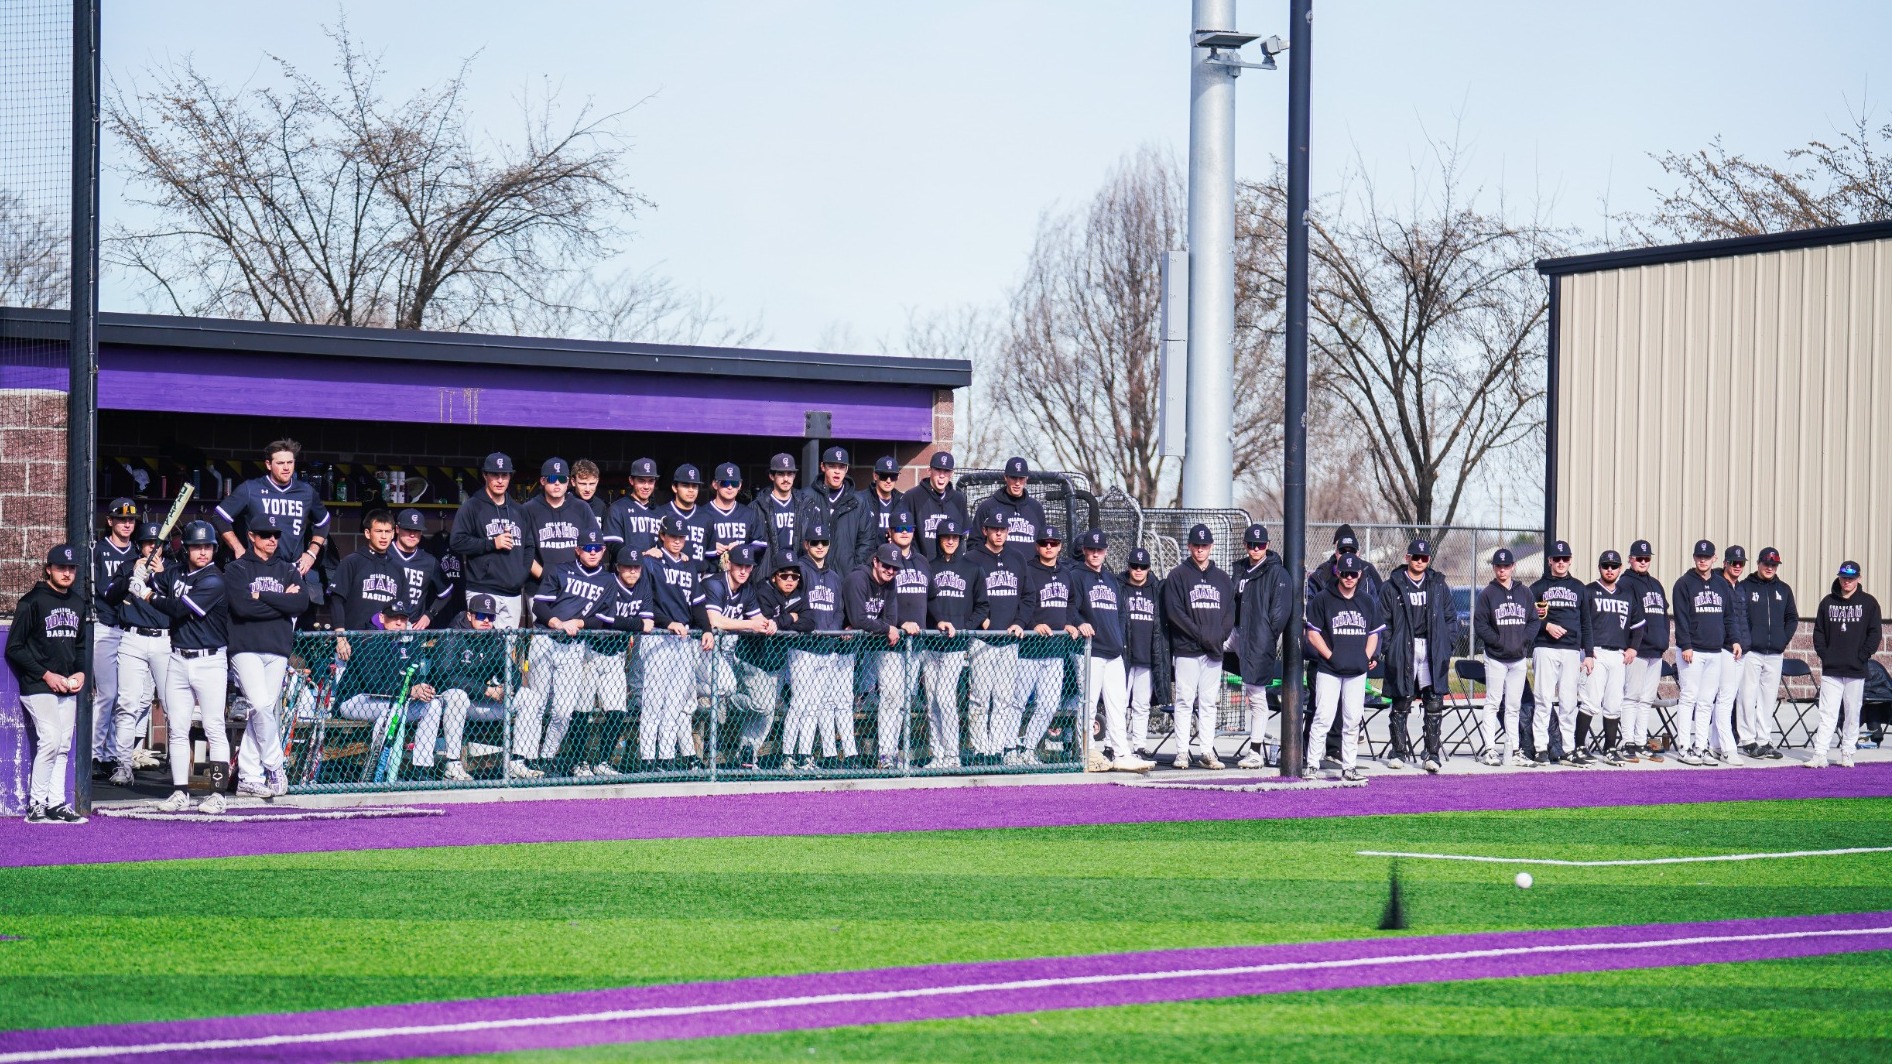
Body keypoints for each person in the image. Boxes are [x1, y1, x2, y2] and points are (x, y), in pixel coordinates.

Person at [144, 521, 229, 813]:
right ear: (187, 549)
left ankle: (218, 794)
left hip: (210, 660)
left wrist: (148, 595)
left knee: (214, 728)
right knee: (177, 729)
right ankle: (180, 791)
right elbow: (155, 580)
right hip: (178, 658)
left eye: (207, 547)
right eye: (197, 547)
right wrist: (143, 573)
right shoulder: (177, 572)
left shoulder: (214, 580)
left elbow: (179, 608)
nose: (202, 552)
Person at [224, 514, 311, 797]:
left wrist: (261, 597)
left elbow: (300, 603)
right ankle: (275, 765)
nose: (272, 539)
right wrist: (281, 602)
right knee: (261, 706)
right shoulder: (237, 569)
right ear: (251, 536)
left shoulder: (288, 569)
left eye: (275, 534)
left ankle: (249, 777)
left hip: (277, 649)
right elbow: (241, 608)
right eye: (265, 534)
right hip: (245, 647)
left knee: (261, 713)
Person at [525, 529, 622, 777]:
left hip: (574, 647)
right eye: (587, 548)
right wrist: (557, 622)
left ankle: (546, 758)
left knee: (564, 710)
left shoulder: (608, 580)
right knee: (536, 703)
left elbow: (604, 619)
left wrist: (578, 623)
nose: (592, 552)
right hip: (546, 639)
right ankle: (526, 758)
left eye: (597, 548)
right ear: (577, 550)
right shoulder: (559, 569)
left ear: (603, 551)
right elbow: (539, 604)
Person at [8, 544, 89, 823]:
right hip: (37, 685)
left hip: (67, 684)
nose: (67, 573)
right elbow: (14, 648)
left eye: (71, 568)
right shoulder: (32, 601)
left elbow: (80, 647)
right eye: (61, 568)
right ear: (48, 570)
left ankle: (56, 804)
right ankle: (36, 805)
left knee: (64, 745)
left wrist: (81, 673)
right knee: (51, 741)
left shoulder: (78, 603)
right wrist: (46, 675)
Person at [431, 592, 547, 782]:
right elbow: (447, 677)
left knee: (529, 697)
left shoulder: (494, 638)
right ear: (469, 616)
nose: (486, 621)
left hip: (482, 701)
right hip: (450, 703)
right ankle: (452, 764)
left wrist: (508, 688)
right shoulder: (452, 635)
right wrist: (486, 690)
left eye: (491, 616)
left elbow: (512, 671)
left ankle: (517, 763)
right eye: (481, 615)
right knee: (457, 696)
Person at [333, 600, 445, 780]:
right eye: (394, 618)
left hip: (394, 700)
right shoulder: (368, 638)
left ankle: (421, 769)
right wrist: (410, 691)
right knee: (391, 710)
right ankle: (382, 771)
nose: (399, 622)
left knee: (433, 706)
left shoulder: (412, 641)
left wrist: (423, 689)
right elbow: (374, 685)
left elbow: (415, 678)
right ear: (382, 618)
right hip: (355, 700)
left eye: (403, 618)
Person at [213, 438, 331, 605]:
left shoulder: (306, 491)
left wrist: (311, 553)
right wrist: (238, 548)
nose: (286, 467)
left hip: (292, 569)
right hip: (258, 569)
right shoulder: (251, 489)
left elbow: (324, 522)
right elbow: (220, 517)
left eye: (290, 462)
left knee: (294, 622)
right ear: (268, 464)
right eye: (280, 463)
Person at [1379, 537, 1461, 774]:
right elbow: (1383, 621)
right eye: (1415, 557)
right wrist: (1389, 647)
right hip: (1404, 647)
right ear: (1407, 558)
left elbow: (1450, 618)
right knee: (1401, 699)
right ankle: (1398, 752)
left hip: (1431, 646)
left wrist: (1446, 645)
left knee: (1434, 701)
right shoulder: (1392, 585)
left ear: (1429, 560)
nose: (1419, 561)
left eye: (1424, 558)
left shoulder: (1437, 584)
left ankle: (1432, 754)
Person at [1075, 529, 1153, 773]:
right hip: (1090, 651)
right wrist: (1078, 622)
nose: (1096, 553)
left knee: (1118, 705)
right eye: (1091, 549)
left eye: (1099, 550)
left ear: (1105, 551)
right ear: (1085, 551)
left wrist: (1119, 639)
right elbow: (1070, 607)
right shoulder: (1077, 575)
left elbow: (1121, 614)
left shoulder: (1110, 580)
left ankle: (1121, 752)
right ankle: (1086, 752)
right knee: (1087, 703)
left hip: (1113, 652)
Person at [102, 521, 173, 787]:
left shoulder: (173, 571)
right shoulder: (128, 566)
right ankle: (123, 763)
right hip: (132, 638)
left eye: (157, 545)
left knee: (172, 704)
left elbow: (180, 601)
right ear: (140, 546)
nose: (153, 549)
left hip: (164, 640)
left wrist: (162, 576)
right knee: (127, 703)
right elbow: (109, 595)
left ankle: (178, 772)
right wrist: (131, 576)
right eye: (148, 544)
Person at [694, 542, 776, 768]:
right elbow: (714, 621)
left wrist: (770, 624)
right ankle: (694, 695)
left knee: (766, 702)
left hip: (731, 654)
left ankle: (722, 703)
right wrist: (750, 624)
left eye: (748, 567)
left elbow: (758, 619)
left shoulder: (747, 589)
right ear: (729, 563)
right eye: (739, 565)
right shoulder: (715, 583)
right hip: (702, 649)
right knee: (725, 687)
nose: (743, 570)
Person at [1304, 553, 1385, 783]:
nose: (1349, 577)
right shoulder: (1323, 598)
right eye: (1345, 573)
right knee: (1323, 716)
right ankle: (1312, 764)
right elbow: (1312, 634)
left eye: (1353, 573)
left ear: (1359, 574)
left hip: (1356, 671)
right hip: (1329, 669)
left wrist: (1364, 657)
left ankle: (1349, 767)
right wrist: (1330, 656)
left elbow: (1374, 634)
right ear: (1337, 572)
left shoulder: (1367, 601)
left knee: (1352, 720)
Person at [1163, 524, 1237, 770]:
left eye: (1204, 546)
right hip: (1187, 648)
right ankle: (1182, 752)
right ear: (1189, 546)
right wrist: (1201, 635)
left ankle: (1207, 750)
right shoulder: (1178, 575)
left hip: (1213, 651)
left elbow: (1230, 614)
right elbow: (1175, 613)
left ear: (1211, 547)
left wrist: (1218, 636)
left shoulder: (1222, 578)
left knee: (1208, 702)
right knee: (1184, 700)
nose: (1200, 550)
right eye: (1196, 545)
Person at [1671, 539, 1748, 766]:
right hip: (1693, 651)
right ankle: (1684, 746)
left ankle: (1701, 746)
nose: (1703, 560)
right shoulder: (1684, 583)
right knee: (1688, 697)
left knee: (1706, 701)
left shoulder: (1721, 584)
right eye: (1699, 557)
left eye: (1707, 557)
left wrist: (1734, 639)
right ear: (1694, 557)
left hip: (1715, 651)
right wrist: (1685, 645)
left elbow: (1729, 616)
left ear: (1714, 559)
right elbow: (1681, 618)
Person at [783, 524, 851, 770]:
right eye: (815, 542)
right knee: (800, 703)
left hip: (826, 648)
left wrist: (831, 632)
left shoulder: (834, 577)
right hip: (803, 648)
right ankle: (787, 754)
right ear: (806, 545)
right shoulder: (800, 570)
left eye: (823, 542)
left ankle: (805, 755)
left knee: (813, 706)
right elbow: (793, 603)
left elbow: (839, 610)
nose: (820, 546)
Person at [640, 515, 704, 770]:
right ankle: (647, 758)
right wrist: (667, 623)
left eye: (681, 537)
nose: (677, 541)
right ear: (662, 536)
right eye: (672, 536)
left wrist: (707, 629)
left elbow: (697, 603)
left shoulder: (689, 566)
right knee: (653, 703)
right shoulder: (650, 562)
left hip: (684, 640)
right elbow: (646, 603)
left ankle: (665, 758)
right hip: (658, 637)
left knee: (674, 705)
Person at [1012, 524, 1079, 766]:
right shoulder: (1028, 570)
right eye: (1044, 543)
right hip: (1029, 649)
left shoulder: (1065, 573)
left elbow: (1071, 603)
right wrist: (1031, 624)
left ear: (1060, 546)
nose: (1048, 547)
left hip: (1056, 651)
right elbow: (1020, 603)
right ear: (1036, 546)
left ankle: (1028, 748)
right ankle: (1011, 750)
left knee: (1049, 705)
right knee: (1017, 702)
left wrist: (1070, 623)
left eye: (1053, 543)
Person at [966, 512, 1028, 766]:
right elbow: (964, 596)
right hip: (983, 641)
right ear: (985, 531)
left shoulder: (1017, 559)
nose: (999, 533)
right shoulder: (972, 559)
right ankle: (980, 749)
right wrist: (979, 618)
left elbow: (1028, 596)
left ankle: (996, 748)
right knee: (980, 698)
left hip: (1009, 641)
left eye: (1003, 528)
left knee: (1003, 699)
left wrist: (1020, 622)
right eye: (994, 528)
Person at [1808, 560, 1882, 769]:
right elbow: (1819, 632)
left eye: (1851, 578)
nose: (1846, 581)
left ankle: (1847, 752)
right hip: (1831, 668)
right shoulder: (1827, 602)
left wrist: (1863, 655)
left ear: (1859, 579)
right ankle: (1820, 753)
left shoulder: (1869, 603)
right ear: (1839, 577)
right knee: (1827, 713)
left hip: (1856, 669)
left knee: (1852, 712)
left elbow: (1875, 632)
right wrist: (1825, 655)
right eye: (1843, 577)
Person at [736, 551, 806, 769]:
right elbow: (766, 622)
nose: (790, 580)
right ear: (775, 576)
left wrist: (785, 620)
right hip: (752, 659)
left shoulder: (798, 594)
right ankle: (729, 700)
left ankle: (748, 754)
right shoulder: (763, 591)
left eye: (794, 576)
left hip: (775, 663)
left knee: (765, 714)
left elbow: (810, 621)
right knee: (763, 705)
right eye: (785, 576)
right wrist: (791, 617)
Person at [449, 452, 535, 628]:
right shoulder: (472, 507)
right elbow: (456, 541)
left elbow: (529, 546)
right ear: (485, 475)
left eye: (505, 475)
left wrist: (521, 574)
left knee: (506, 650)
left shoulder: (520, 510)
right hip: (482, 589)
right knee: (482, 646)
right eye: (495, 475)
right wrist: (492, 543)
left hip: (512, 593)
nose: (500, 480)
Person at [1472, 547, 1540, 766]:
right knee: (1493, 703)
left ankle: (1514, 750)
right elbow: (1480, 624)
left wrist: (1523, 641)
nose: (1502, 570)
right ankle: (1490, 749)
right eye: (1498, 566)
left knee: (1513, 707)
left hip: (1518, 659)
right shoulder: (1487, 594)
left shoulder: (1525, 592)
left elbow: (1533, 620)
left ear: (1513, 567)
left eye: (1506, 566)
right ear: (1494, 568)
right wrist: (1498, 641)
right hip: (1496, 658)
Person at [1577, 550, 1645, 764]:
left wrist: (1633, 647)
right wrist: (1586, 651)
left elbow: (1638, 625)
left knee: (1614, 703)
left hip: (1618, 655)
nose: (1609, 569)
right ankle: (1579, 746)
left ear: (1620, 569)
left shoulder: (1626, 594)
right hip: (1595, 653)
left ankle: (1610, 748)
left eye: (1614, 566)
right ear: (1599, 568)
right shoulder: (1588, 591)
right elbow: (1580, 625)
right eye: (1605, 565)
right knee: (1590, 701)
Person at [87, 498, 139, 778]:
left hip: (132, 630)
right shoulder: (98, 549)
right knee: (107, 693)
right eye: (121, 519)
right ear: (110, 521)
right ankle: (96, 754)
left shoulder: (138, 552)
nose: (127, 523)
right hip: (105, 626)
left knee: (129, 697)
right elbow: (103, 590)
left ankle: (113, 754)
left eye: (131, 520)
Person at [1233, 525, 1291, 770]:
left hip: (1257, 638)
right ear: (1245, 546)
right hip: (1236, 634)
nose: (1255, 549)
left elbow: (1279, 615)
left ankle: (1256, 751)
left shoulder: (1277, 573)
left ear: (1267, 546)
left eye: (1260, 545)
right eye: (1251, 544)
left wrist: (1265, 634)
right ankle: (1204, 747)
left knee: (1256, 695)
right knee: (1205, 652)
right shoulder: (1239, 569)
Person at [844, 543, 905, 768]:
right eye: (887, 566)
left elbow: (892, 618)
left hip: (872, 643)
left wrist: (881, 627)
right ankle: (831, 756)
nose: (891, 571)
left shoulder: (890, 583)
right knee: (835, 701)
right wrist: (884, 628)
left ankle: (888, 754)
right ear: (876, 562)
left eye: (895, 568)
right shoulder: (857, 579)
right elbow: (858, 619)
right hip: (843, 646)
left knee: (894, 694)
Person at [922, 518, 977, 769]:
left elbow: (982, 605)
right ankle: (938, 754)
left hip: (955, 646)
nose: (951, 541)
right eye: (946, 537)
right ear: (939, 539)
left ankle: (953, 754)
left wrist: (967, 628)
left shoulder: (971, 567)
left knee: (945, 697)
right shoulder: (929, 567)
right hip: (931, 644)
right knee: (932, 700)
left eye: (955, 537)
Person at [1530, 540, 1588, 765]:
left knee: (1568, 702)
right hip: (1545, 648)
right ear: (1550, 561)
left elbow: (1586, 622)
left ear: (1570, 560)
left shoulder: (1579, 587)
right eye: (1557, 559)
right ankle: (1540, 748)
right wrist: (1547, 626)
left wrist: (1589, 653)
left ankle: (1568, 749)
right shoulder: (1537, 588)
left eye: (1565, 559)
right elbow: (1530, 618)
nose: (1561, 562)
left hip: (1571, 650)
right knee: (1543, 699)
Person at [1737, 546, 1797, 759]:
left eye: (1774, 564)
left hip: (1775, 653)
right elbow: (1739, 617)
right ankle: (1747, 739)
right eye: (1766, 564)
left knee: (1768, 698)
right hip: (1752, 651)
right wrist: (1747, 640)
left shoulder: (1784, 589)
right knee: (1747, 695)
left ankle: (1764, 739)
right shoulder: (1745, 587)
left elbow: (1792, 618)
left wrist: (1783, 640)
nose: (1770, 567)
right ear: (1759, 563)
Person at [1618, 539, 1671, 762]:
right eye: (1638, 558)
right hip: (1636, 650)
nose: (1642, 561)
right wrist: (1630, 645)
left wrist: (1664, 641)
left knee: (1646, 699)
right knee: (1631, 696)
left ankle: (1641, 741)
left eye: (1646, 558)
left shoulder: (1656, 584)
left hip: (1655, 651)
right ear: (1630, 559)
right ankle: (1627, 741)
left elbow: (1664, 614)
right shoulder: (1626, 583)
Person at [523, 457, 601, 592]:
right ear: (542, 481)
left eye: (562, 479)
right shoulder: (528, 509)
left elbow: (595, 545)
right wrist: (545, 576)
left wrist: (583, 578)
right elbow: (522, 552)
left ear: (569, 482)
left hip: (576, 586)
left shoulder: (582, 507)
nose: (557, 483)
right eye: (552, 479)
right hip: (539, 586)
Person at [1120, 547, 1169, 760]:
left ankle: (1139, 745)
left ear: (1149, 568)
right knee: (1119, 703)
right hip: (1124, 655)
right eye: (1134, 566)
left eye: (1143, 567)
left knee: (1141, 704)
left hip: (1148, 655)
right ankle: (1116, 744)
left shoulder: (1157, 589)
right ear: (1128, 566)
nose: (1138, 570)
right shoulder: (1119, 586)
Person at [797, 447, 869, 573]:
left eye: (841, 467)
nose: (837, 471)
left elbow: (866, 541)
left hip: (846, 575)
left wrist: (855, 570)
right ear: (823, 467)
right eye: (832, 466)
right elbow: (799, 538)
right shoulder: (805, 497)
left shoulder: (859, 502)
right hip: (812, 574)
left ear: (846, 469)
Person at [329, 509, 402, 631]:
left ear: (393, 534)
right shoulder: (352, 562)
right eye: (378, 531)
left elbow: (401, 608)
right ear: (368, 533)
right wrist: (340, 635)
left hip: (386, 643)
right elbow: (336, 600)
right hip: (354, 640)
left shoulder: (398, 568)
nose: (384, 536)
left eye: (387, 531)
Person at [971, 457, 1047, 551]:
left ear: (1027, 478)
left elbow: (1043, 543)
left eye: (1021, 478)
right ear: (1006, 477)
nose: (1017, 483)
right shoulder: (988, 507)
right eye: (1014, 477)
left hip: (1029, 565)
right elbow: (973, 543)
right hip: (996, 565)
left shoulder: (1036, 508)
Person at [905, 451, 969, 563]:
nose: (942, 475)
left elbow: (963, 537)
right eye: (938, 470)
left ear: (952, 473)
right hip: (919, 565)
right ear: (929, 471)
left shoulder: (958, 499)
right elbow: (901, 532)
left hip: (949, 568)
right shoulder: (913, 496)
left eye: (946, 471)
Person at [391, 509, 449, 629]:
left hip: (412, 627)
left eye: (416, 530)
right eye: (408, 529)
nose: (412, 534)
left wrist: (429, 615)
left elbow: (446, 592)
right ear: (397, 529)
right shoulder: (384, 554)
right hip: (383, 626)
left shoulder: (429, 561)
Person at [705, 462, 768, 571]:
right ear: (715, 484)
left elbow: (761, 545)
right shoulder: (703, 513)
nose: (730, 487)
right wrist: (710, 549)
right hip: (711, 574)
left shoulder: (749, 513)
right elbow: (690, 547)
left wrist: (741, 547)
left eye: (734, 483)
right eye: (725, 483)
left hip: (741, 574)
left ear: (740, 485)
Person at [602, 457, 664, 555]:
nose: (646, 486)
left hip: (654, 569)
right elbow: (613, 545)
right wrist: (642, 554)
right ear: (631, 480)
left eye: (651, 481)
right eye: (641, 481)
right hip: (627, 568)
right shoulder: (618, 508)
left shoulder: (660, 512)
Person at [855, 456, 907, 564]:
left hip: (893, 561)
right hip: (867, 561)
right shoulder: (861, 499)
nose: (888, 481)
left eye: (893, 476)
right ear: (875, 476)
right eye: (884, 476)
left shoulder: (903, 501)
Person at [758, 453, 803, 566]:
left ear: (794, 476)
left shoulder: (806, 505)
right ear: (772, 476)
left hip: (796, 568)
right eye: (781, 474)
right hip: (768, 569)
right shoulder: (757, 506)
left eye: (790, 474)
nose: (786, 479)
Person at [665, 463, 713, 564]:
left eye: (695, 486)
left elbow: (710, 554)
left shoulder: (706, 518)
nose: (691, 490)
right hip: (669, 575)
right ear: (674, 487)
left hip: (699, 576)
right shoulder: (662, 513)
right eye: (685, 485)